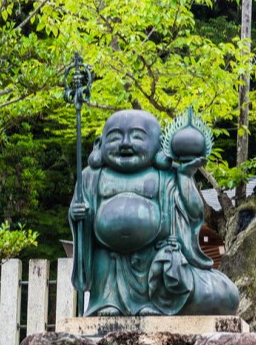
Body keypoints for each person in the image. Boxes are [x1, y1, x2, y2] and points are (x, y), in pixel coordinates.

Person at [70, 109, 239, 316]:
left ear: (159, 146)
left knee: (223, 295)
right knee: (105, 258)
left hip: (155, 259)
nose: (125, 144)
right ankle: (107, 302)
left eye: (137, 137)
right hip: (109, 260)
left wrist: (186, 177)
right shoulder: (90, 177)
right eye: (115, 137)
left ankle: (155, 303)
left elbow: (194, 213)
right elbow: (81, 216)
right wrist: (79, 216)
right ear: (99, 144)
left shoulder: (167, 176)